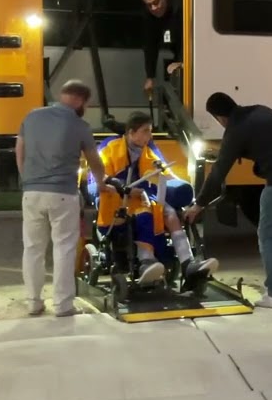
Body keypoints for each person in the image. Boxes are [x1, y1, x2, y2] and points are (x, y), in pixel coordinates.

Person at [186, 93, 272, 309]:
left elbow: (218, 173)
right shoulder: (259, 111)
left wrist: (199, 204)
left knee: (269, 236)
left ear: (220, 118)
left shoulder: (235, 130)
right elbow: (268, 144)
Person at [93, 111, 218, 287]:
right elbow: (99, 175)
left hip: (145, 193)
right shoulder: (110, 148)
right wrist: (122, 187)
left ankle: (187, 263)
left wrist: (181, 188)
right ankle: (146, 262)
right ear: (131, 133)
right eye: (145, 131)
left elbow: (165, 174)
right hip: (117, 194)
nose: (149, 136)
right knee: (145, 214)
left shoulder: (149, 151)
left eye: (150, 131)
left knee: (171, 214)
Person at [15, 80, 106, 317]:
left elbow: (20, 150)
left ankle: (34, 302)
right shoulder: (79, 125)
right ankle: (63, 305)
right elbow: (94, 160)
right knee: (64, 248)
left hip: (32, 192)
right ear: (79, 100)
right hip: (63, 194)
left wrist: (27, 178)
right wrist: (102, 182)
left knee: (33, 248)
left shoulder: (32, 117)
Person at [140, 0, 182, 95]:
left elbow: (190, 39)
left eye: (156, 2)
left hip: (188, 52)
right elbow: (150, 46)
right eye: (149, 5)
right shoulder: (149, 16)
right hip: (174, 53)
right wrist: (150, 77)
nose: (153, 8)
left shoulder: (181, 7)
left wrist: (182, 62)